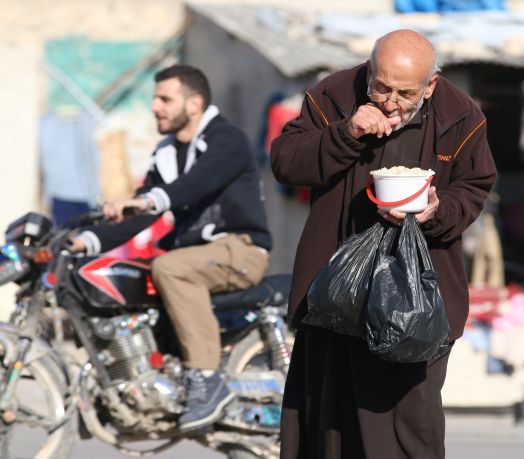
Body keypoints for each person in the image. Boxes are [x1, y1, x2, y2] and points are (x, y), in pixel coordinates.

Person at [270, 30, 497, 458]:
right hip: (335, 295)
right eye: (382, 87)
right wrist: (346, 132)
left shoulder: (461, 116)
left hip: (417, 301)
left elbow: (474, 186)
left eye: (405, 92)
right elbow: (286, 161)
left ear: (430, 85)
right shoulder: (334, 95)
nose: (391, 101)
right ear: (370, 71)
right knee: (327, 424)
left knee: (408, 428)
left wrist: (437, 210)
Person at [69, 64, 272, 430]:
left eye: (164, 99)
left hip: (239, 249)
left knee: (169, 267)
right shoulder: (166, 153)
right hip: (194, 257)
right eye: (154, 99)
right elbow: (140, 214)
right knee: (131, 278)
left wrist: (149, 201)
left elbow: (195, 183)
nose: (154, 107)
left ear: (194, 103)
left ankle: (207, 380)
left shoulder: (227, 140)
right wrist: (85, 241)